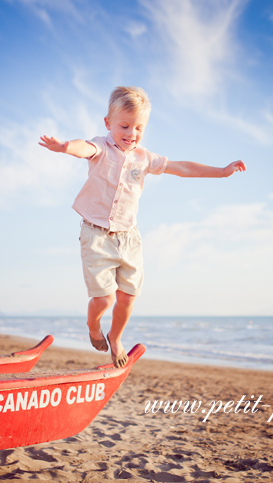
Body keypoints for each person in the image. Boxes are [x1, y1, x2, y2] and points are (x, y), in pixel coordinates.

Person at [39, 86, 245, 367]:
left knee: (128, 297)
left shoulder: (144, 158)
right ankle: (92, 325)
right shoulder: (101, 146)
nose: (131, 133)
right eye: (124, 125)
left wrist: (221, 172)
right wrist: (65, 148)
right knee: (104, 300)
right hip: (96, 235)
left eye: (138, 128)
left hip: (129, 238)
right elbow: (83, 147)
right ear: (108, 123)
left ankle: (116, 336)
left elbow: (181, 167)